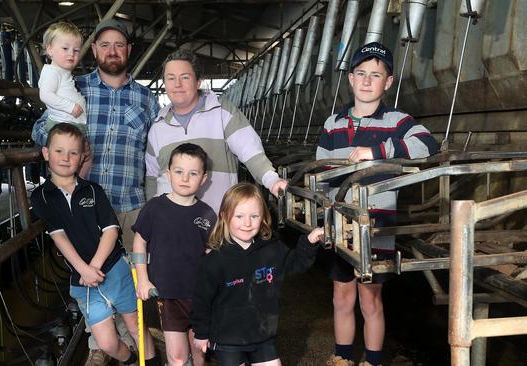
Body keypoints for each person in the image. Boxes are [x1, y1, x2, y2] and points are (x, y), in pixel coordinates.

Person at [316, 42, 438, 366]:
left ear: (388, 82)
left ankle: (372, 360)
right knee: (341, 295)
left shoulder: (398, 121)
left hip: (376, 222)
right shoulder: (333, 125)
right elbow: (321, 171)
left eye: (376, 74)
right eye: (361, 74)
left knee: (370, 298)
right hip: (341, 223)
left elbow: (429, 144)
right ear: (351, 80)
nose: (367, 81)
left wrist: (380, 151)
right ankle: (342, 358)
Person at [30, 123, 160, 366]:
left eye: (73, 153)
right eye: (59, 151)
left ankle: (152, 362)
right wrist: (84, 270)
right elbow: (59, 236)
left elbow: (111, 231)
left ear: (82, 157)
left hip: (113, 269)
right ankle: (130, 360)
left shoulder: (93, 190)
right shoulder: (41, 196)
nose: (66, 158)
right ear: (46, 153)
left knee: (136, 326)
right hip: (83, 281)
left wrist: (95, 267)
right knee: (108, 343)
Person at [32, 18, 160, 251]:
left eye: (119, 45)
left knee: (136, 277)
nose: (112, 51)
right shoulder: (73, 88)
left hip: (131, 208)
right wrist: (66, 142)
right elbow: (39, 129)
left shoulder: (147, 99)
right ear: (93, 49)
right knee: (88, 277)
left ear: (128, 50)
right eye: (104, 45)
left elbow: (159, 152)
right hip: (84, 206)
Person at [190, 183, 324, 366]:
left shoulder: (271, 248)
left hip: (262, 334)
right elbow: (201, 299)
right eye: (239, 216)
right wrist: (201, 333)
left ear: (263, 218)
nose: (247, 223)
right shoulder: (215, 259)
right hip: (227, 339)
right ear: (224, 216)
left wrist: (309, 242)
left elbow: (295, 264)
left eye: (254, 216)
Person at [145, 48, 288, 213]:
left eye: (185, 77)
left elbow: (249, 149)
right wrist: (152, 216)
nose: (177, 84)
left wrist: (272, 181)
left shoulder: (221, 111)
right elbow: (152, 178)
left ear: (197, 82)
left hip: (218, 223)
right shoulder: (158, 126)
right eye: (171, 78)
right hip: (171, 226)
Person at [133, 143, 217, 366]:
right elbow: (139, 242)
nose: (185, 178)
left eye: (193, 173)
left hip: (199, 296)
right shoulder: (154, 208)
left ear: (204, 178)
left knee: (199, 352)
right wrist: (142, 277)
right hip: (168, 295)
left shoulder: (207, 215)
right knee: (177, 357)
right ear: (168, 173)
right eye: (179, 171)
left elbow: (212, 256)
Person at [38, 22, 91, 179]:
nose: (71, 54)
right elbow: (45, 95)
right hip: (63, 126)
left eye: (76, 50)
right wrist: (70, 107)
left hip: (73, 126)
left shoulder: (62, 73)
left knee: (85, 160)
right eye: (65, 48)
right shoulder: (51, 72)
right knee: (66, 164)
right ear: (49, 49)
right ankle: (65, 190)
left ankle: (75, 188)